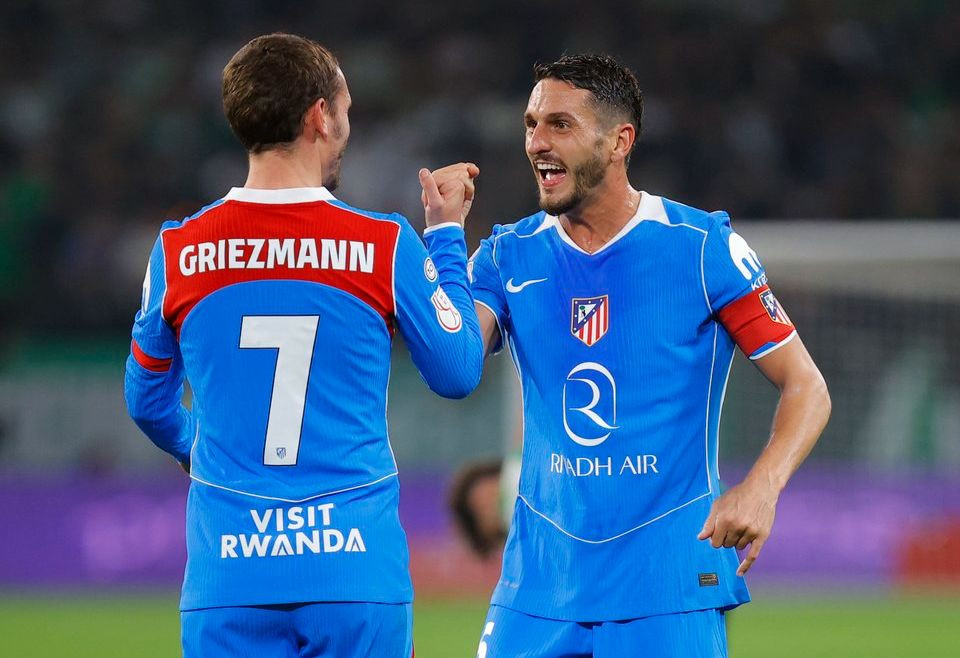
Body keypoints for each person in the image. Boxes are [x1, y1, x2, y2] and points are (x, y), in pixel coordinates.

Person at [123, 33, 484, 658]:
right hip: (354, 571)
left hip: (229, 575)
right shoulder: (381, 244)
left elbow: (146, 401)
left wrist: (193, 446)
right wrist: (447, 236)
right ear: (320, 115)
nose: (347, 126)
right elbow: (457, 370)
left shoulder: (179, 251)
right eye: (345, 109)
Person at [469, 54, 831, 657]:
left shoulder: (702, 249)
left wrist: (762, 486)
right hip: (538, 585)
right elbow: (453, 365)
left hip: (669, 587)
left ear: (619, 141)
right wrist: (445, 237)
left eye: (560, 124)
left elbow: (807, 387)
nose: (536, 142)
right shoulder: (508, 254)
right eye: (531, 124)